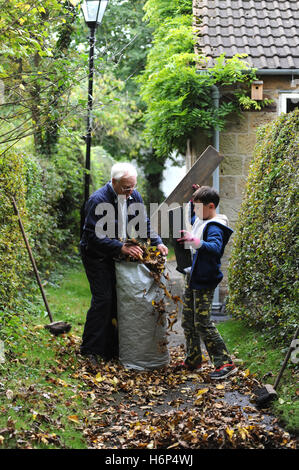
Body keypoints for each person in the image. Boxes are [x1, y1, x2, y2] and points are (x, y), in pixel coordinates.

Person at [79, 162, 168, 366]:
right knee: (103, 299)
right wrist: (120, 248)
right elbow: (92, 236)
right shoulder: (97, 200)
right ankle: (90, 350)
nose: (130, 192)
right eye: (126, 187)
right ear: (113, 182)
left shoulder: (134, 196)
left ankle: (109, 349)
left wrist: (158, 242)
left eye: (133, 186)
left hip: (114, 255)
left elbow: (143, 223)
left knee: (116, 300)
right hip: (96, 255)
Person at [178, 186, 237, 380]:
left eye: (197, 207)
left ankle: (225, 362)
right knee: (188, 320)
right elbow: (194, 216)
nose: (194, 212)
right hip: (193, 277)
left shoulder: (215, 226)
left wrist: (194, 241)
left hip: (205, 280)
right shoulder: (202, 219)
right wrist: (193, 198)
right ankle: (193, 358)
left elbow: (215, 247)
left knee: (202, 322)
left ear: (211, 206)